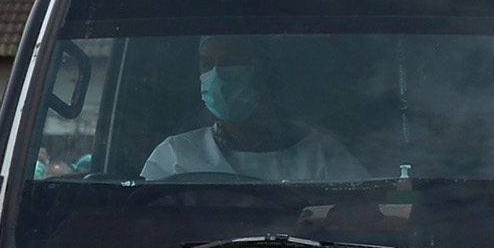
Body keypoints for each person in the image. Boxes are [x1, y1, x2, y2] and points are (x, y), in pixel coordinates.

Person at [141, 41, 362, 180]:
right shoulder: (174, 155)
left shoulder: (321, 155)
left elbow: (363, 219)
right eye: (207, 64)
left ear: (263, 71)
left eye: (230, 63)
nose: (217, 75)